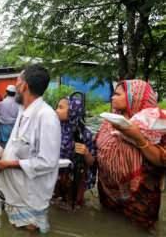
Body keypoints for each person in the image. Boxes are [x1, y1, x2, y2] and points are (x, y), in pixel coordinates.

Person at [0, 65, 61, 233]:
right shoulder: (24, 110)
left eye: (17, 82)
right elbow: (18, 143)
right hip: (17, 191)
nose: (15, 86)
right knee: (18, 230)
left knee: (31, 230)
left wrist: (9, 164)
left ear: (24, 86)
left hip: (31, 195)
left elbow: (48, 162)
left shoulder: (47, 116)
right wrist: (2, 154)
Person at [96, 79, 166, 231]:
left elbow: (162, 160)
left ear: (134, 97)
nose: (112, 97)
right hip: (108, 194)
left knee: (137, 230)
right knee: (107, 227)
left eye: (117, 94)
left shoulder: (157, 126)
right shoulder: (110, 121)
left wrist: (137, 137)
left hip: (140, 199)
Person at [53, 93, 96, 210]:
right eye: (57, 107)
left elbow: (92, 163)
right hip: (55, 175)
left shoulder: (84, 133)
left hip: (75, 178)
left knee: (73, 208)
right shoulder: (53, 129)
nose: (56, 110)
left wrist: (86, 152)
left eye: (61, 108)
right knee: (55, 203)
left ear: (72, 111)